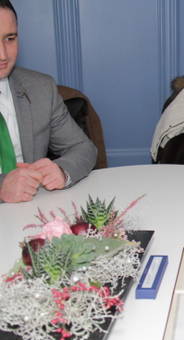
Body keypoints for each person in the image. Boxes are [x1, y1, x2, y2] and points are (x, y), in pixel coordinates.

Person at [0, 0, 96, 203]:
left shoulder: (41, 88)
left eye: (10, 38)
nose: (3, 55)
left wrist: (62, 170)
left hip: (33, 209)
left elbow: (83, 148)